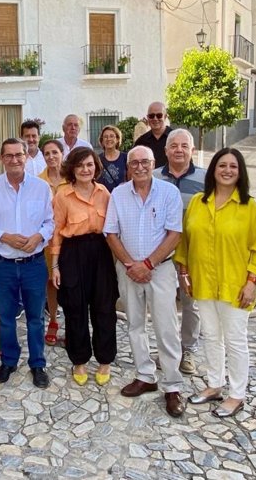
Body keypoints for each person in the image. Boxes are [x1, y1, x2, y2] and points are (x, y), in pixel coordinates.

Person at [175, 148, 256, 417]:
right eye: (222, 166)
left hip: (235, 285)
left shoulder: (248, 206)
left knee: (236, 340)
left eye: (233, 166)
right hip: (203, 282)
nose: (227, 170)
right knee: (211, 336)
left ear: (240, 172)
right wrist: (184, 273)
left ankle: (237, 394)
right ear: (213, 170)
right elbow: (186, 242)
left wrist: (252, 282)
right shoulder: (197, 202)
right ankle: (215, 385)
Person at [104, 146, 186, 417]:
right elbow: (111, 233)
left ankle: (173, 385)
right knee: (135, 325)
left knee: (166, 328)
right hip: (128, 270)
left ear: (154, 164)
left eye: (145, 162)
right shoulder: (118, 194)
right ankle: (145, 376)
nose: (139, 167)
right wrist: (130, 264)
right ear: (128, 167)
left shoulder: (169, 193)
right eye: (134, 163)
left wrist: (148, 264)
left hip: (160, 270)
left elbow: (175, 234)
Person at [0, 138, 54, 389]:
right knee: (6, 317)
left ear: (26, 157)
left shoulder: (41, 188)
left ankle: (37, 364)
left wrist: (39, 236)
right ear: (1, 158)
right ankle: (8, 361)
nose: (14, 160)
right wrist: (4, 236)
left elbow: (51, 222)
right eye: (8, 155)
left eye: (19, 155)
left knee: (35, 317)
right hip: (3, 264)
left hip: (34, 263)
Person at [51, 147, 118, 386]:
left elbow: (113, 228)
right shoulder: (62, 196)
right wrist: (55, 265)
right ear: (72, 168)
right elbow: (56, 232)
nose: (85, 169)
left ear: (95, 167)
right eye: (80, 165)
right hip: (72, 253)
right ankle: (79, 361)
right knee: (74, 308)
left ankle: (104, 361)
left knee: (104, 308)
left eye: (89, 165)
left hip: (100, 253)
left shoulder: (105, 193)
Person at [154, 129, 206, 375]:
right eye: (173, 145)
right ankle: (166, 349)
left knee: (190, 303)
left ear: (192, 150)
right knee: (161, 304)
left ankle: (188, 351)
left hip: (193, 251)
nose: (178, 150)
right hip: (160, 251)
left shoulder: (207, 179)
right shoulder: (153, 177)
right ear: (165, 151)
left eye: (184, 146)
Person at [37, 139, 68, 346]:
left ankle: (73, 323)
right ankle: (54, 321)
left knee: (71, 282)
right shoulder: (39, 181)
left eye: (54, 152)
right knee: (50, 281)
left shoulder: (72, 176)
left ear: (62, 153)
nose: (51, 157)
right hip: (49, 239)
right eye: (47, 153)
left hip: (70, 238)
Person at [133, 102, 172, 168]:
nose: (155, 119)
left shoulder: (175, 138)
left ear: (165, 117)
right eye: (151, 116)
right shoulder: (141, 142)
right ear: (148, 118)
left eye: (159, 115)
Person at [97, 125, 128, 193]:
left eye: (112, 136)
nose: (108, 139)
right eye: (105, 137)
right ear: (102, 140)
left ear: (117, 139)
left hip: (121, 196)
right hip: (102, 197)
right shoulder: (97, 159)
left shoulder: (126, 158)